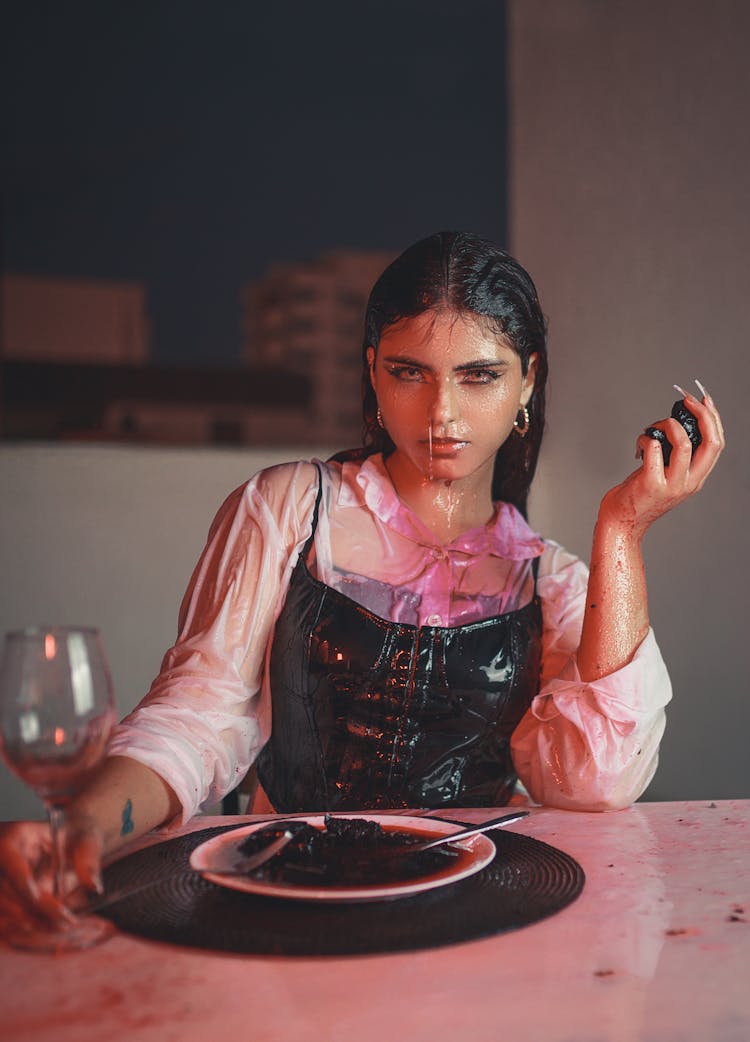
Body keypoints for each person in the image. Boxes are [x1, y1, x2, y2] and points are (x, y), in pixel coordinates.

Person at [0, 231, 725, 919]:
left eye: (479, 376)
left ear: (528, 379)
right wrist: (84, 830)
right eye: (410, 372)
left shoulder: (551, 582)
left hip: (470, 911)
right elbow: (195, 717)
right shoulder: (288, 509)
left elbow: (593, 785)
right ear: (372, 369)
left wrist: (622, 529)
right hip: (285, 898)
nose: (442, 412)